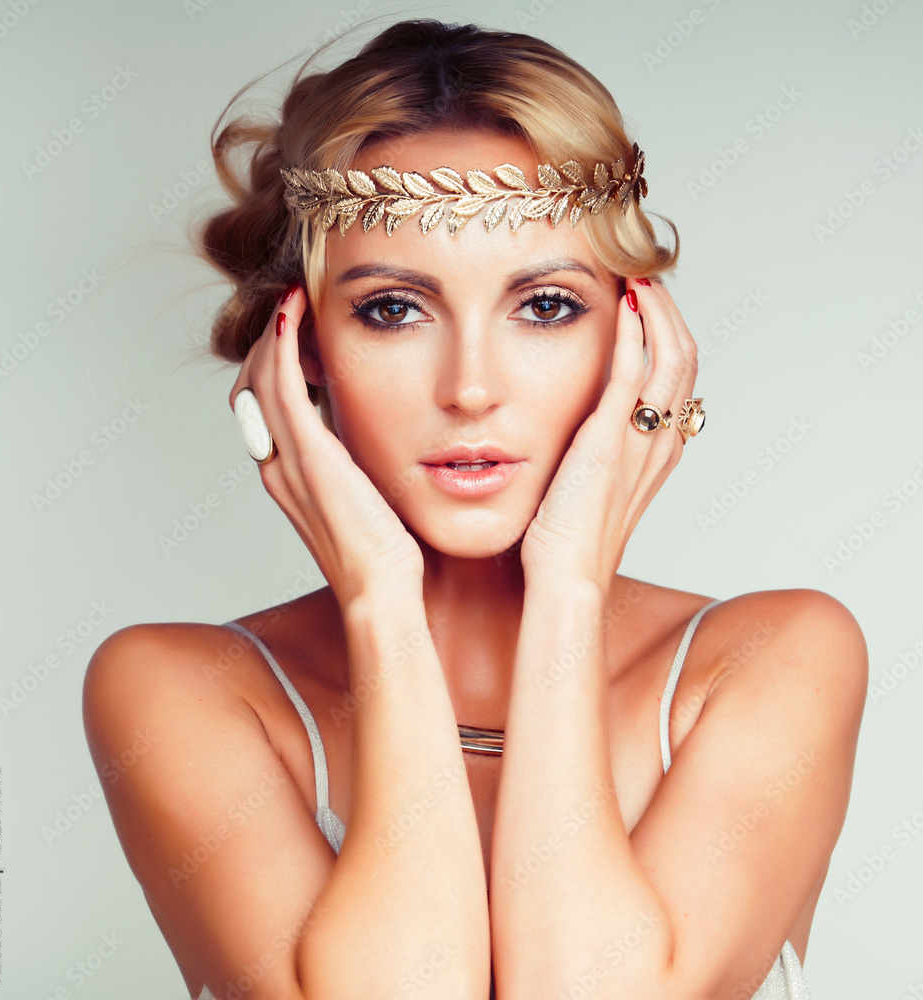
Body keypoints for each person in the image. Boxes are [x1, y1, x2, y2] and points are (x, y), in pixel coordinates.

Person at [82, 19, 867, 1000]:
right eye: (391, 309)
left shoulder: (773, 660)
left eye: (542, 306)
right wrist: (377, 599)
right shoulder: (177, 691)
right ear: (302, 347)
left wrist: (569, 588)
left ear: (635, 337)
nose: (469, 389)